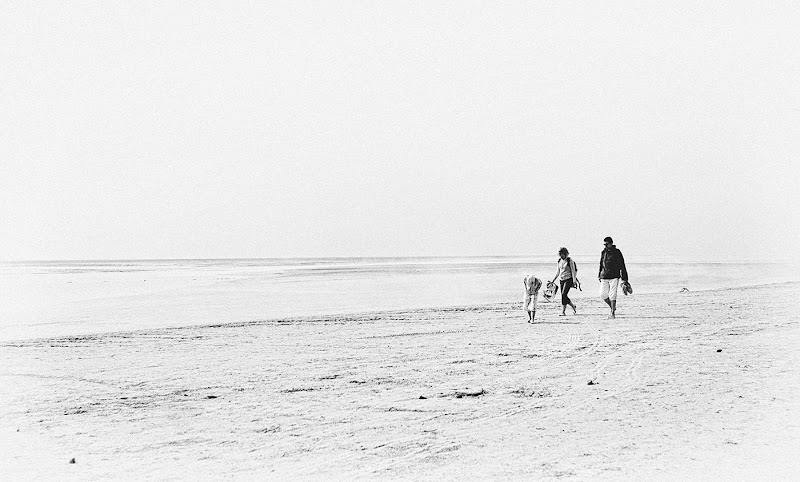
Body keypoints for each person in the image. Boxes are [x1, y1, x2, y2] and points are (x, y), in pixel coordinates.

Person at [598, 236, 629, 319]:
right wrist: (599, 275)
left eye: (606, 244)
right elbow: (601, 264)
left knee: (612, 294)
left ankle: (612, 313)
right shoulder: (603, 252)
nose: (605, 246)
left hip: (614, 276)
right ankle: (612, 307)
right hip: (604, 276)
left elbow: (622, 265)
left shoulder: (617, 252)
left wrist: (624, 278)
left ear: (611, 243)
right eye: (604, 244)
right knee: (603, 295)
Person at [551, 247, 579, 316]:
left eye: (562, 254)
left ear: (565, 254)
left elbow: (573, 271)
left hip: (568, 279)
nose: (561, 256)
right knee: (563, 296)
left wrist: (574, 281)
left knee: (564, 294)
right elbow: (558, 271)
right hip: (561, 279)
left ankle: (563, 311)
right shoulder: (559, 261)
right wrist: (553, 280)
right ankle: (573, 306)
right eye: (560, 254)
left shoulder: (570, 261)